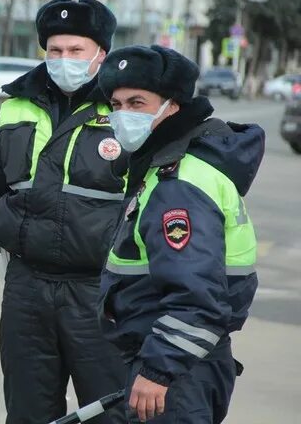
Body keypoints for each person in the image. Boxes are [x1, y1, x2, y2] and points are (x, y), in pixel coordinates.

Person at [0, 0, 127, 424]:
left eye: (75, 51)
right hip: (27, 287)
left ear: (101, 54)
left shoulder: (124, 110)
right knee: (29, 412)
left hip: (100, 294)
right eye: (55, 51)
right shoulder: (16, 108)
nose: (63, 59)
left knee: (110, 413)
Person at [96, 45, 264, 423]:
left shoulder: (180, 183)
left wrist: (159, 371)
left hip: (177, 368)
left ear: (171, 107)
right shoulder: (165, 164)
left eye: (137, 103)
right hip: (177, 358)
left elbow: (197, 297)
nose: (123, 115)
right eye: (117, 104)